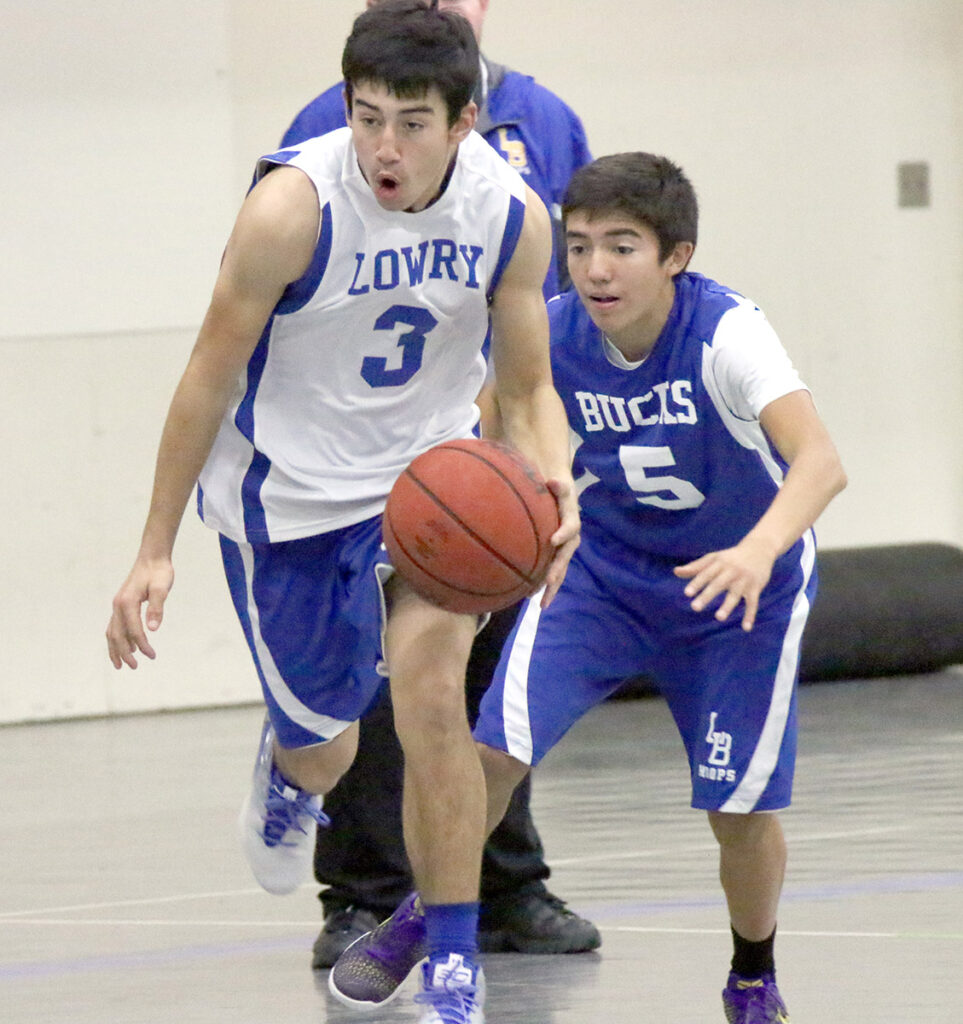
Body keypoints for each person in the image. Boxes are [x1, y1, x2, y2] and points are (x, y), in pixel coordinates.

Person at [105, 3, 580, 1022]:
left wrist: (552, 479)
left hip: (430, 487)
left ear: (464, 122)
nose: (383, 147)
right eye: (366, 118)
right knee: (331, 749)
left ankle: (451, 961)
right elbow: (207, 375)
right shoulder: (292, 209)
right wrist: (153, 548)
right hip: (292, 499)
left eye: (411, 123)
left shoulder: (509, 216)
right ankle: (291, 768)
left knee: (435, 705)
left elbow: (529, 386)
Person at [326, 152, 847, 1024]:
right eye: (577, 247)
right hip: (601, 573)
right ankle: (430, 914)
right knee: (491, 756)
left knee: (737, 810)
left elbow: (821, 461)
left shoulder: (727, 335)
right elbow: (484, 437)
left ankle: (751, 977)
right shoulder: (552, 330)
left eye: (620, 246)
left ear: (674, 256)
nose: (595, 268)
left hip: (732, 592)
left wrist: (757, 551)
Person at [280, 0, 600, 969]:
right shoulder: (330, 123)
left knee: (494, 684)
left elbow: (556, 287)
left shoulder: (543, 117)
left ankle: (506, 883)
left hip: (490, 449)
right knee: (385, 685)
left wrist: (546, 448)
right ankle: (361, 894)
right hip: (365, 452)